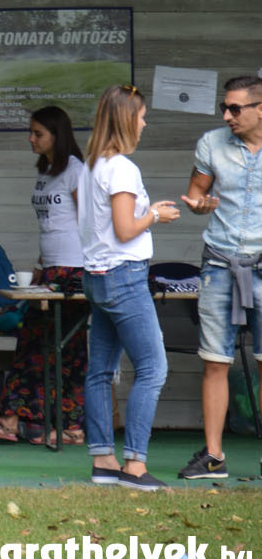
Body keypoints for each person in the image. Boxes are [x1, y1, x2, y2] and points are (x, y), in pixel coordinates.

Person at [78, 83, 180, 492]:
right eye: (140, 115)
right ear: (125, 119)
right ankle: (135, 467)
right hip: (124, 275)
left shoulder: (90, 167)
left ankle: (103, 459)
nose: (144, 121)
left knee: (99, 371)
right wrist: (154, 214)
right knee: (153, 369)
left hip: (96, 277)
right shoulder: (121, 168)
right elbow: (124, 230)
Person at [0, 106, 88, 444]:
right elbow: (52, 224)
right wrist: (39, 268)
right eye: (31, 132)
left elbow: (89, 223)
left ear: (57, 135)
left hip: (74, 271)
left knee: (68, 350)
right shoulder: (47, 173)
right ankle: (21, 421)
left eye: (38, 133)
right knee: (33, 344)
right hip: (49, 269)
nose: (31, 138)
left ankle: (70, 426)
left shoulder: (76, 172)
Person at [176, 75, 262, 482]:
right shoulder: (211, 143)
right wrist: (199, 206)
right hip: (219, 264)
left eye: (235, 108)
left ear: (260, 109)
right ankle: (213, 456)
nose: (226, 115)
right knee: (215, 360)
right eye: (224, 108)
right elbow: (196, 194)